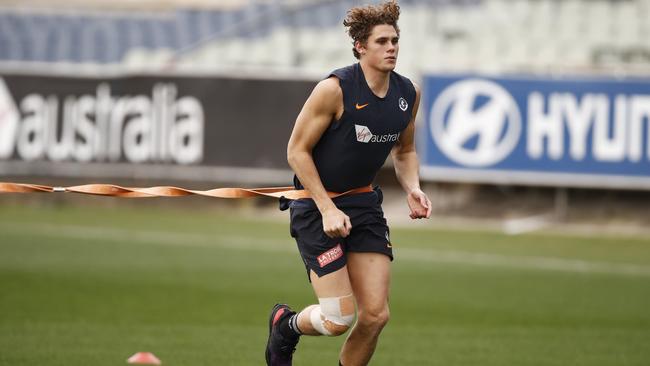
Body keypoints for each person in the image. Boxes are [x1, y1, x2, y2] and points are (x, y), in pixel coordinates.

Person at [265, 1, 431, 365]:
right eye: (382, 41)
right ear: (360, 46)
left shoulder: (408, 94)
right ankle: (286, 326)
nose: (392, 48)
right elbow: (297, 152)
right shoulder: (335, 89)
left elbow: (404, 152)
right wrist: (327, 207)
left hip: (364, 205)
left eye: (395, 40)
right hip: (315, 206)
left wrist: (413, 187)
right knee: (338, 318)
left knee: (375, 316)